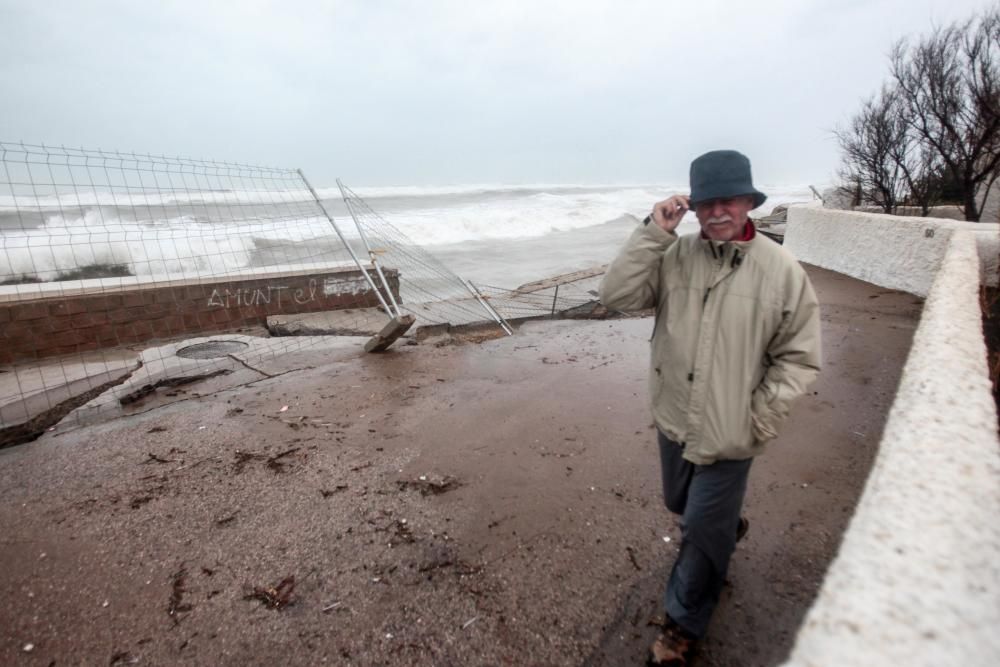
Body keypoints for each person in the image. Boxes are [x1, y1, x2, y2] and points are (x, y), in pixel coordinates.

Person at [598, 150, 821, 666]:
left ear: (748, 202)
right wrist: (654, 233)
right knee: (681, 507)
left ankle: (682, 625)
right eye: (708, 203)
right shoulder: (673, 256)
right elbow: (617, 295)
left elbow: (800, 358)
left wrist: (759, 420)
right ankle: (728, 528)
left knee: (698, 532)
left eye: (730, 201)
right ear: (693, 208)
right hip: (674, 417)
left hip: (731, 431)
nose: (719, 212)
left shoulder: (782, 271)